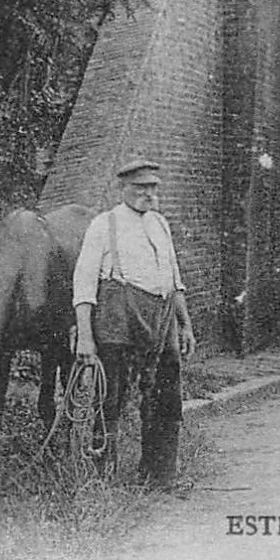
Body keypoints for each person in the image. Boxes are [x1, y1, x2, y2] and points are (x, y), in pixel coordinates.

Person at [73, 156, 197, 487]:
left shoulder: (160, 224)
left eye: (152, 188)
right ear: (123, 188)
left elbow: (175, 279)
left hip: (162, 319)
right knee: (109, 398)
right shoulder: (104, 224)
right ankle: (102, 479)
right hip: (118, 320)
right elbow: (83, 284)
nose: (148, 194)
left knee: (166, 396)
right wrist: (85, 338)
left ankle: (158, 476)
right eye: (140, 188)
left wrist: (185, 324)